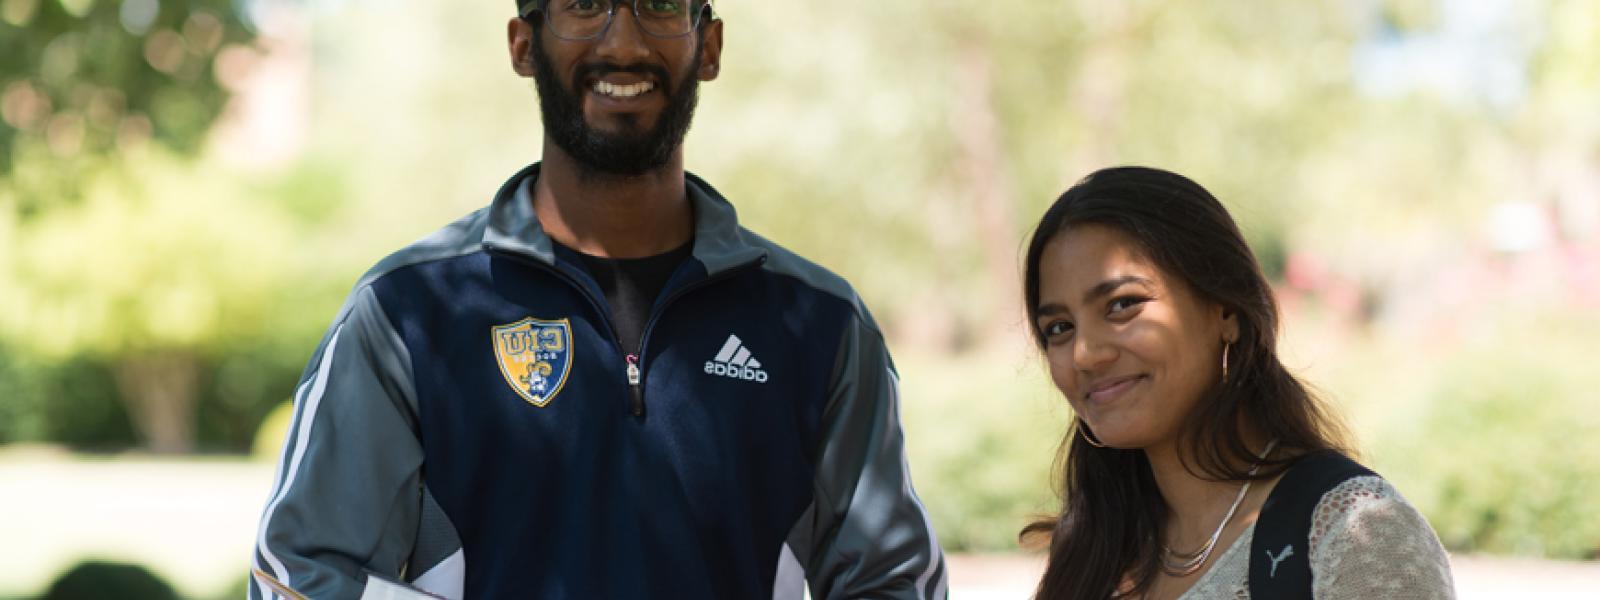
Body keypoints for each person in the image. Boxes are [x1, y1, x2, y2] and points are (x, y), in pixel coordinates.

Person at [249, 1, 946, 598]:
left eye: (662, 6)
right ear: (524, 44)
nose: (624, 41)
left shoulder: (820, 325)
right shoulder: (409, 313)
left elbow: (895, 583)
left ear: (710, 45)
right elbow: (298, 576)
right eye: (584, 4)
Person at [1019, 167, 1454, 599]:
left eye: (1123, 304)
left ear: (1225, 310)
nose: (1085, 354)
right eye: (1059, 328)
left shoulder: (1352, 535)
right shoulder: (1089, 555)